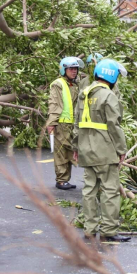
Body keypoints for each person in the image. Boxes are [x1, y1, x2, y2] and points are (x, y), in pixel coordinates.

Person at [73, 59, 130, 243]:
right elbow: (114, 126)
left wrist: (76, 147)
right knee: (110, 190)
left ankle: (89, 230)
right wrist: (121, 149)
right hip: (104, 151)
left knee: (89, 190)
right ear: (112, 76)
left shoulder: (84, 93)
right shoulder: (109, 96)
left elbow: (76, 124)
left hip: (85, 149)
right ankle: (108, 231)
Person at [47, 57, 84, 190]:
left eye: (76, 69)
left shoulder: (74, 84)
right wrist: (52, 122)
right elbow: (54, 104)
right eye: (71, 69)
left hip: (72, 124)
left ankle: (65, 180)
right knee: (61, 152)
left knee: (69, 152)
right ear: (64, 70)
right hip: (61, 123)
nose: (74, 71)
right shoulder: (58, 84)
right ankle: (61, 180)